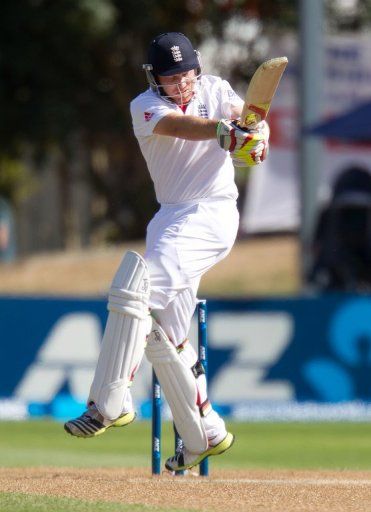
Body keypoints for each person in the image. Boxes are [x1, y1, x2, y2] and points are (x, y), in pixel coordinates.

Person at [65, 32, 269, 472]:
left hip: (212, 213)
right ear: (154, 78)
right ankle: (206, 432)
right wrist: (221, 132)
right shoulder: (144, 106)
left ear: (199, 67)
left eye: (187, 73)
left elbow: (243, 121)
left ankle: (107, 403)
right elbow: (180, 127)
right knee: (168, 335)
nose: (182, 83)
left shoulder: (215, 89)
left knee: (134, 293)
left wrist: (255, 135)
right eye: (171, 77)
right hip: (169, 219)